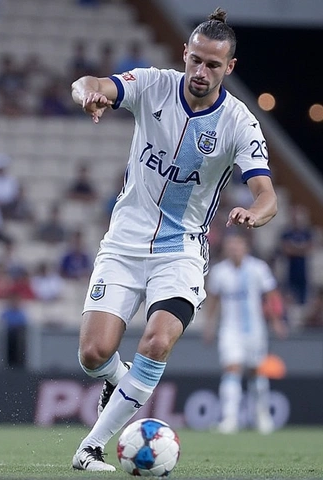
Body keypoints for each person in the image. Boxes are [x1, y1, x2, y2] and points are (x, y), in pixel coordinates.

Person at [69, 8, 278, 471]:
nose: (201, 72)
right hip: (123, 244)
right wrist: (88, 95)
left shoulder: (240, 123)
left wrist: (254, 213)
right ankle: (120, 381)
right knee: (93, 354)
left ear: (230, 68)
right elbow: (91, 82)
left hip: (180, 250)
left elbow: (267, 195)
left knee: (157, 342)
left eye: (213, 65)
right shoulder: (152, 84)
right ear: (184, 53)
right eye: (196, 60)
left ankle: (90, 447)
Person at [203, 233, 287, 434]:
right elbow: (213, 299)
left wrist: (277, 321)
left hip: (255, 330)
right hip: (229, 330)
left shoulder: (258, 268)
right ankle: (230, 419)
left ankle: (262, 417)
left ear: (245, 247)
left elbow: (271, 295)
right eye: (230, 245)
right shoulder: (219, 272)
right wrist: (209, 325)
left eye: (237, 245)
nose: (234, 249)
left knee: (257, 372)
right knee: (231, 369)